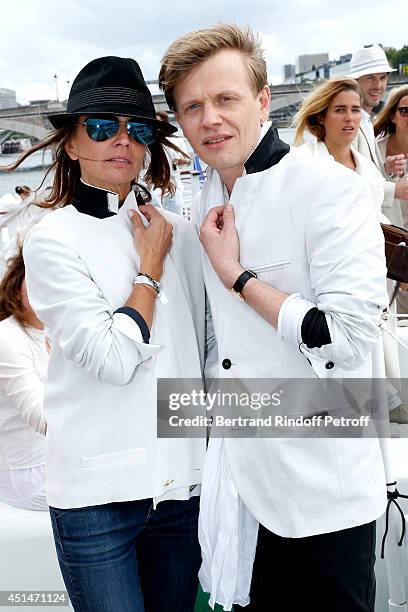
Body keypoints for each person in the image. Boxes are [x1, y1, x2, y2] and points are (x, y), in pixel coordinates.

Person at [159, 24, 388, 612]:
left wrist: (239, 277)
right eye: (193, 106)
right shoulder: (204, 193)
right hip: (240, 490)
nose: (210, 119)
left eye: (226, 98)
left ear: (263, 102)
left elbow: (349, 339)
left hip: (322, 492)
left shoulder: (328, 191)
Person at [10, 56, 206, 611]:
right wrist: (148, 270)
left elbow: (207, 350)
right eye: (101, 127)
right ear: (70, 143)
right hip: (96, 497)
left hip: (177, 488)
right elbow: (113, 359)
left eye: (136, 129)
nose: (121, 140)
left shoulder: (178, 233)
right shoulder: (52, 240)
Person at [0, 246, 47, 511]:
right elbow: (42, 416)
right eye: (36, 276)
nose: (46, 284)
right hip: (29, 473)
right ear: (17, 283)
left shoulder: (60, 333)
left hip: (62, 460)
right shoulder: (8, 336)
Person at [349, 44, 408, 225]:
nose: (378, 85)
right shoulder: (351, 125)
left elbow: (366, 175)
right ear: (355, 81)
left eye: (382, 78)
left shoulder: (366, 123)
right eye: (370, 78)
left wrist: (385, 169)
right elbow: (349, 183)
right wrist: (394, 190)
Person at [374, 85, 408, 225]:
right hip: (387, 235)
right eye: (405, 110)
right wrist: (385, 169)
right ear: (393, 116)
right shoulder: (375, 150)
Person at [155, 110, 191, 215]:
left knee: (176, 214)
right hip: (154, 185)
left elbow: (188, 160)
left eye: (159, 123)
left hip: (174, 183)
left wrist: (181, 161)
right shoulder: (150, 142)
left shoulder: (177, 140)